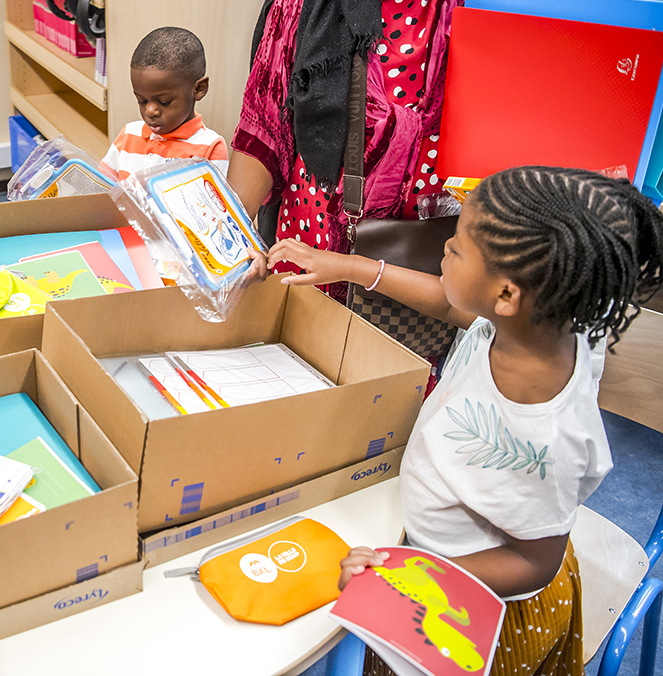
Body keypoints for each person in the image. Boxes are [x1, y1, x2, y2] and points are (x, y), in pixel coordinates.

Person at [258, 166, 663, 676]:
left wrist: (406, 574)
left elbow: (534, 560)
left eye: (458, 246)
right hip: (441, 556)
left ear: (508, 295)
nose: (444, 246)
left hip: (478, 613)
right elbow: (453, 306)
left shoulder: (543, 437)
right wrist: (346, 265)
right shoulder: (544, 325)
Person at [228, 0, 548, 301]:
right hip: (311, 239)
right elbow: (264, 123)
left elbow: (534, 113)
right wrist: (231, 240)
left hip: (430, 256)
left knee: (406, 364)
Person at [99, 27, 227, 181]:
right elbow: (102, 186)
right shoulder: (128, 134)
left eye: (164, 102)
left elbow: (211, 203)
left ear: (199, 89)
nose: (150, 111)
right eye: (142, 101)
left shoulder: (210, 148)